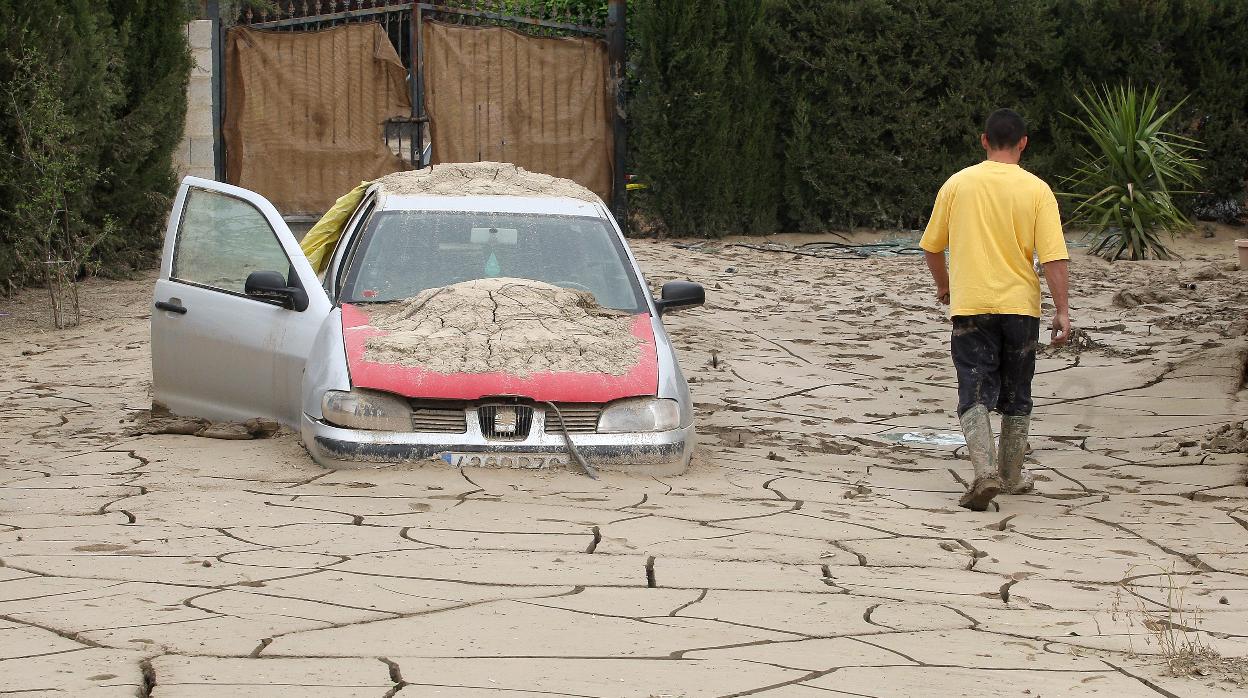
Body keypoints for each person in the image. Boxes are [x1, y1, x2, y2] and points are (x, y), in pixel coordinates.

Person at [919, 108, 1071, 511]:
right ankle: (1012, 476)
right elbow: (1053, 258)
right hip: (1021, 308)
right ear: (1023, 143)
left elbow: (932, 246)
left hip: (971, 305)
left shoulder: (957, 184)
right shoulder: (1037, 190)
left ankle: (984, 472)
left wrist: (944, 285)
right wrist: (1063, 310)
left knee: (974, 388)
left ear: (983, 140)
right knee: (1019, 392)